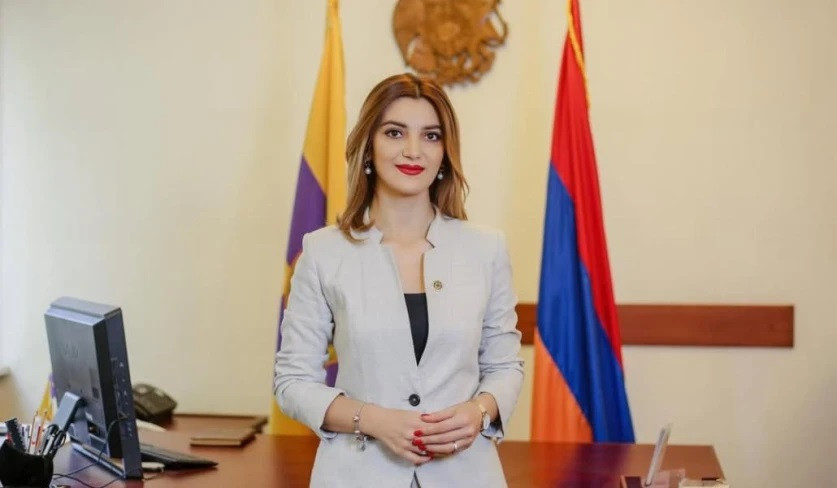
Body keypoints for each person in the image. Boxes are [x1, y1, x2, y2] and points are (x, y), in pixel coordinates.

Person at [274, 73, 524, 487]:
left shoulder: (486, 249)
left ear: (445, 152)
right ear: (369, 146)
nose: (413, 150)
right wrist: (373, 420)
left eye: (431, 136)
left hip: (466, 474)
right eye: (395, 132)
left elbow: (505, 366)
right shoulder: (323, 252)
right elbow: (293, 382)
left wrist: (479, 411)